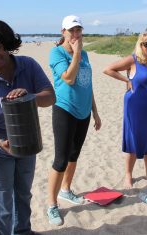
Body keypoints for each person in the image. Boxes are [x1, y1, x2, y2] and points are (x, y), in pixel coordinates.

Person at [0, 19, 55, 235]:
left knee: (23, 194)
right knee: (1, 205)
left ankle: (23, 231)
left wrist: (30, 96)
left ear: (6, 43)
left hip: (26, 142)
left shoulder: (28, 65)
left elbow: (50, 97)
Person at [46, 15, 102, 226]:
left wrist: (95, 111)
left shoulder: (85, 54)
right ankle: (51, 204)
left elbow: (87, 84)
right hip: (64, 110)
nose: (76, 35)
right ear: (63, 32)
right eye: (72, 31)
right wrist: (76, 53)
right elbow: (68, 78)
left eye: (79, 30)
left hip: (84, 112)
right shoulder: (57, 53)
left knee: (74, 154)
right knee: (60, 159)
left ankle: (66, 190)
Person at [103, 32, 147, 188]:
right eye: (146, 44)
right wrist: (127, 80)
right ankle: (128, 175)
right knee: (133, 140)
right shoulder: (133, 59)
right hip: (135, 106)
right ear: (140, 45)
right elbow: (108, 69)